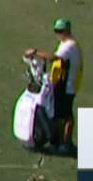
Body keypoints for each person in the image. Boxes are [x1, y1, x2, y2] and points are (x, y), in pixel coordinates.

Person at [26, 18, 83, 154]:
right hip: (63, 83)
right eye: (56, 31)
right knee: (61, 114)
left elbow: (53, 57)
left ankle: (65, 143)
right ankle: (60, 142)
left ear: (67, 31)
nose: (57, 34)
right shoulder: (66, 43)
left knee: (65, 116)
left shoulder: (69, 46)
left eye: (60, 31)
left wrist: (35, 52)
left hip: (67, 85)